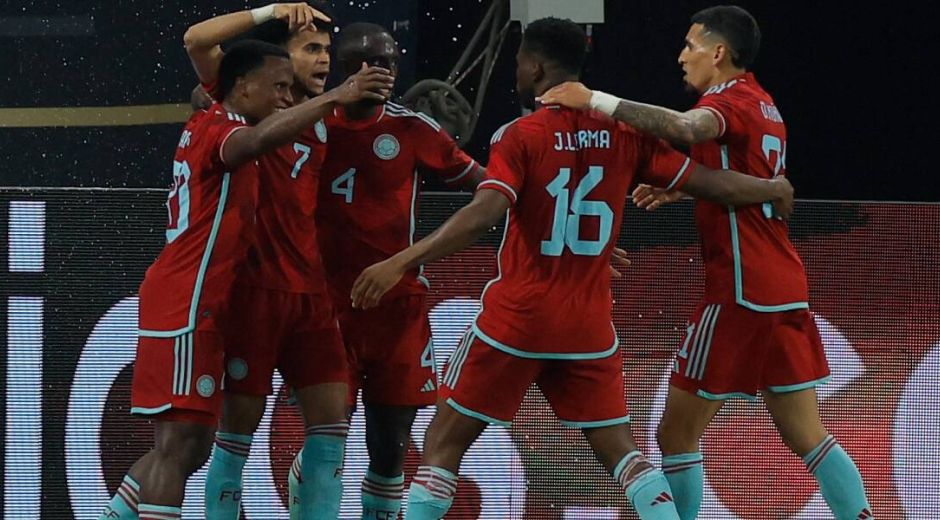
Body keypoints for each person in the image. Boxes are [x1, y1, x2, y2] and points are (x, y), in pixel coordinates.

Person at [351, 17, 794, 520]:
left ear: (535, 65)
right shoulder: (626, 133)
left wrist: (401, 261)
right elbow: (713, 183)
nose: (516, 70)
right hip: (587, 325)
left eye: (519, 61)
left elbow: (485, 213)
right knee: (626, 458)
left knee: (441, 447)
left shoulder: (519, 134)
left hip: (517, 321)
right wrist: (772, 187)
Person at [538, 6, 873, 520]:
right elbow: (740, 176)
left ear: (718, 53)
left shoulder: (729, 101)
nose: (681, 57)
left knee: (675, 433)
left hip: (740, 288)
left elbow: (685, 127)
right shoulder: (765, 104)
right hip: (783, 283)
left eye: (690, 46)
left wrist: (596, 100)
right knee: (808, 434)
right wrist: (685, 193)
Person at [179, 4, 394, 519]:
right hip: (252, 294)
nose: (324, 61)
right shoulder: (245, 110)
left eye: (326, 50)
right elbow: (197, 41)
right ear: (277, 61)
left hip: (311, 298)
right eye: (310, 50)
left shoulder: (328, 115)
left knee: (331, 424)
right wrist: (271, 9)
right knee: (236, 433)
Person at [284, 21, 485, 520]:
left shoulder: (413, 129)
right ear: (346, 68)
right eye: (373, 63)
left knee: (391, 448)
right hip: (324, 312)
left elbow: (493, 192)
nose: (387, 73)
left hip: (397, 312)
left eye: (393, 62)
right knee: (328, 441)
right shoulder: (308, 124)